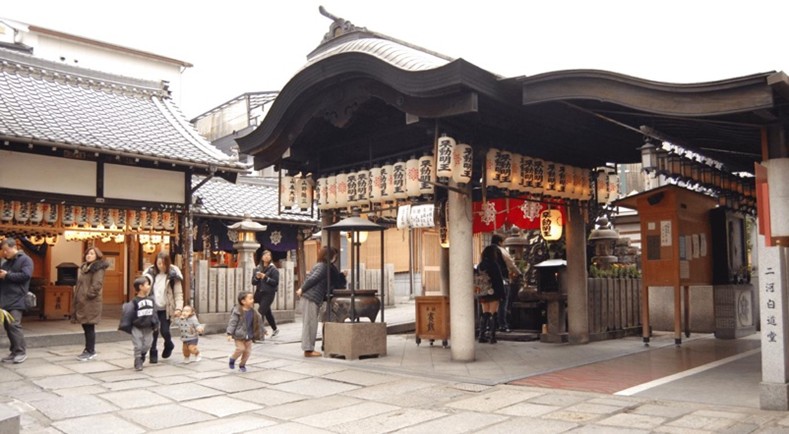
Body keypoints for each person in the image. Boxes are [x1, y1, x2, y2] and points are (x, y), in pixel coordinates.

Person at [296, 246, 346, 357]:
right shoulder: (323, 267)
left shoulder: (321, 265)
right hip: (311, 297)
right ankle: (308, 350)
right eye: (334, 255)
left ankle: (308, 349)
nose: (335, 258)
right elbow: (312, 279)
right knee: (310, 324)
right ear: (329, 256)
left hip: (311, 297)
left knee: (310, 324)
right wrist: (302, 289)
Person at [71, 246, 109, 361]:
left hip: (90, 301)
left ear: (97, 256)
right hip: (83, 300)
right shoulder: (85, 268)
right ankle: (88, 349)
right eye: (88, 253)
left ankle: (91, 350)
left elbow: (96, 284)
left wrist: (88, 295)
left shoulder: (97, 268)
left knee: (89, 326)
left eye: (92, 254)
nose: (89, 255)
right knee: (85, 325)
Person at [145, 252, 184, 363]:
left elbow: (178, 293)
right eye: (158, 263)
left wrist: (179, 308)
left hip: (166, 308)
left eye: (163, 263)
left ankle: (169, 344)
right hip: (153, 307)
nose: (161, 266)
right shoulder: (150, 274)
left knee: (165, 331)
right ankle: (153, 352)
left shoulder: (173, 275)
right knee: (154, 331)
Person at [0, 237, 32, 364]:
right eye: (3, 251)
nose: (4, 253)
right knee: (8, 327)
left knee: (14, 325)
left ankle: (21, 352)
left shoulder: (25, 260)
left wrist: (7, 275)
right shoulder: (6, 262)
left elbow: (26, 275)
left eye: (6, 250)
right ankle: (14, 351)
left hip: (18, 298)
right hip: (5, 298)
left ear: (14, 247)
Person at [226, 290, 265, 373]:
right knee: (240, 349)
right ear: (243, 301)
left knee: (247, 352)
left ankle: (242, 365)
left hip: (249, 336)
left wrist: (263, 330)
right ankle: (232, 359)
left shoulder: (253, 311)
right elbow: (232, 322)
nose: (253, 300)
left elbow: (259, 322)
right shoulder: (237, 311)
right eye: (250, 299)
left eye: (252, 298)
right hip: (239, 335)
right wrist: (229, 333)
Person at [491, 234, 521, 333]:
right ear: (500, 242)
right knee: (503, 302)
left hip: (489, 281)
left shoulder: (486, 251)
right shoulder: (501, 251)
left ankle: (491, 325)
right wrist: (518, 272)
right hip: (502, 279)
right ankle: (503, 325)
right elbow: (510, 263)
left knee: (491, 303)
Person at [476, 245, 506, 344]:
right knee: (493, 313)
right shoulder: (494, 265)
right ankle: (492, 336)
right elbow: (498, 280)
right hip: (493, 292)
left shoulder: (480, 265)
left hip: (483, 292)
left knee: (485, 313)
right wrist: (502, 294)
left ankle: (481, 335)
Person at [131, 275, 159, 371]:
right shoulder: (134, 301)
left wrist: (156, 324)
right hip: (137, 326)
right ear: (140, 287)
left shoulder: (151, 300)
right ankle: (138, 359)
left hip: (148, 326)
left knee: (147, 344)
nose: (149, 286)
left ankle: (142, 355)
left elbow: (154, 313)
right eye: (147, 284)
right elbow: (130, 313)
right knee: (138, 344)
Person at [252, 250, 279, 337]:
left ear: (271, 257)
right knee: (267, 312)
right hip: (259, 293)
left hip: (269, 294)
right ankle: (275, 329)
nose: (266, 256)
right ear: (262, 257)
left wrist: (265, 277)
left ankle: (259, 333)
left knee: (260, 312)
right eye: (265, 255)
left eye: (268, 255)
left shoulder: (273, 269)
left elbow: (275, 282)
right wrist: (257, 277)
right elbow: (253, 282)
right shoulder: (257, 268)